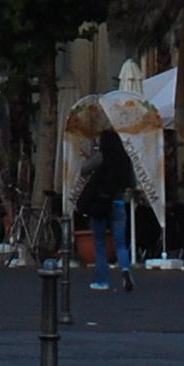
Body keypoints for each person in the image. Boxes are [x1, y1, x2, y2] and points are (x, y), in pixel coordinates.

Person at [76, 117, 136, 288]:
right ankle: (125, 269)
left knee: (100, 242)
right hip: (119, 201)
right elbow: (132, 182)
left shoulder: (102, 156)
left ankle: (102, 280)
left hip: (101, 202)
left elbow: (83, 170)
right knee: (120, 242)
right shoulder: (124, 159)